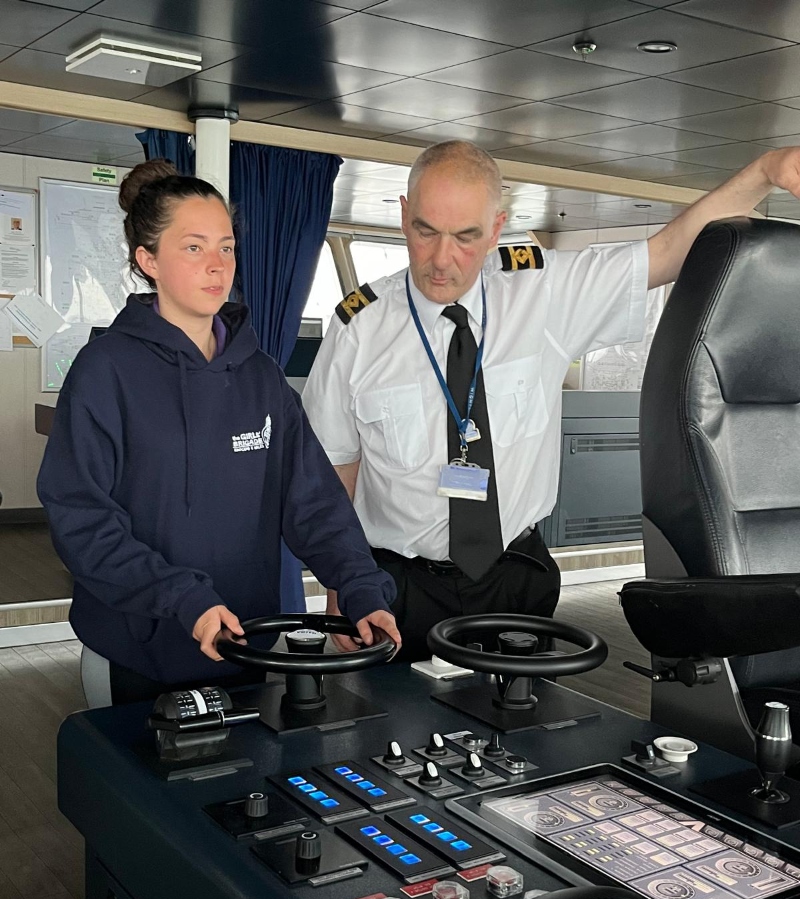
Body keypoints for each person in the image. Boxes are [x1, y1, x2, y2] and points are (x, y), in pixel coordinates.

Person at [303, 139, 800, 663]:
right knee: (390, 736)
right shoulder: (359, 328)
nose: (442, 259)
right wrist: (343, 579)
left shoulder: (543, 292)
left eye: (466, 236)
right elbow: (339, 465)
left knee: (523, 736)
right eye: (425, 231)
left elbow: (669, 250)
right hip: (397, 585)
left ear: (497, 227)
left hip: (514, 579)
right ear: (404, 215)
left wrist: (767, 169)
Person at [38, 159, 400, 705]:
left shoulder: (260, 377)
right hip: (139, 648)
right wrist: (182, 597)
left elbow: (314, 501)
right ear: (148, 260)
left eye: (226, 247)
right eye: (194, 247)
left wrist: (359, 588)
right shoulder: (104, 371)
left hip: (245, 643)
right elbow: (81, 519)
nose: (217, 265)